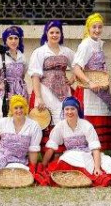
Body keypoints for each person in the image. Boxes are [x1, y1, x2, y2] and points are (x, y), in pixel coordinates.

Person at [41, 97, 111, 187]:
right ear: (63, 111)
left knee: (106, 161)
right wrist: (43, 165)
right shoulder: (60, 126)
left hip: (86, 154)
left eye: (73, 109)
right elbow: (51, 147)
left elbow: (95, 148)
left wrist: (97, 167)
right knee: (66, 158)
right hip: (70, 156)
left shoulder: (86, 125)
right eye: (67, 109)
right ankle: (73, 177)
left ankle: (85, 177)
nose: (70, 112)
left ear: (78, 110)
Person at [28, 20, 75, 150]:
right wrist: (38, 97)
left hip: (64, 91)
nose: (54, 35)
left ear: (61, 34)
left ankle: (64, 153)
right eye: (52, 32)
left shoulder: (66, 51)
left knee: (63, 118)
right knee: (46, 120)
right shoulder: (40, 52)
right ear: (46, 33)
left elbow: (78, 65)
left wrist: (72, 79)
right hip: (45, 91)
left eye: (57, 32)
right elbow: (35, 76)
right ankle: (49, 154)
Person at [73, 13, 111, 151]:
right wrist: (89, 82)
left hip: (101, 86)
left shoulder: (98, 44)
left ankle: (99, 153)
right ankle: (88, 151)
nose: (97, 30)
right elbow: (76, 68)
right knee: (91, 120)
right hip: (89, 91)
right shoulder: (85, 45)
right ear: (88, 28)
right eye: (94, 27)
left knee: (101, 116)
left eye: (99, 27)